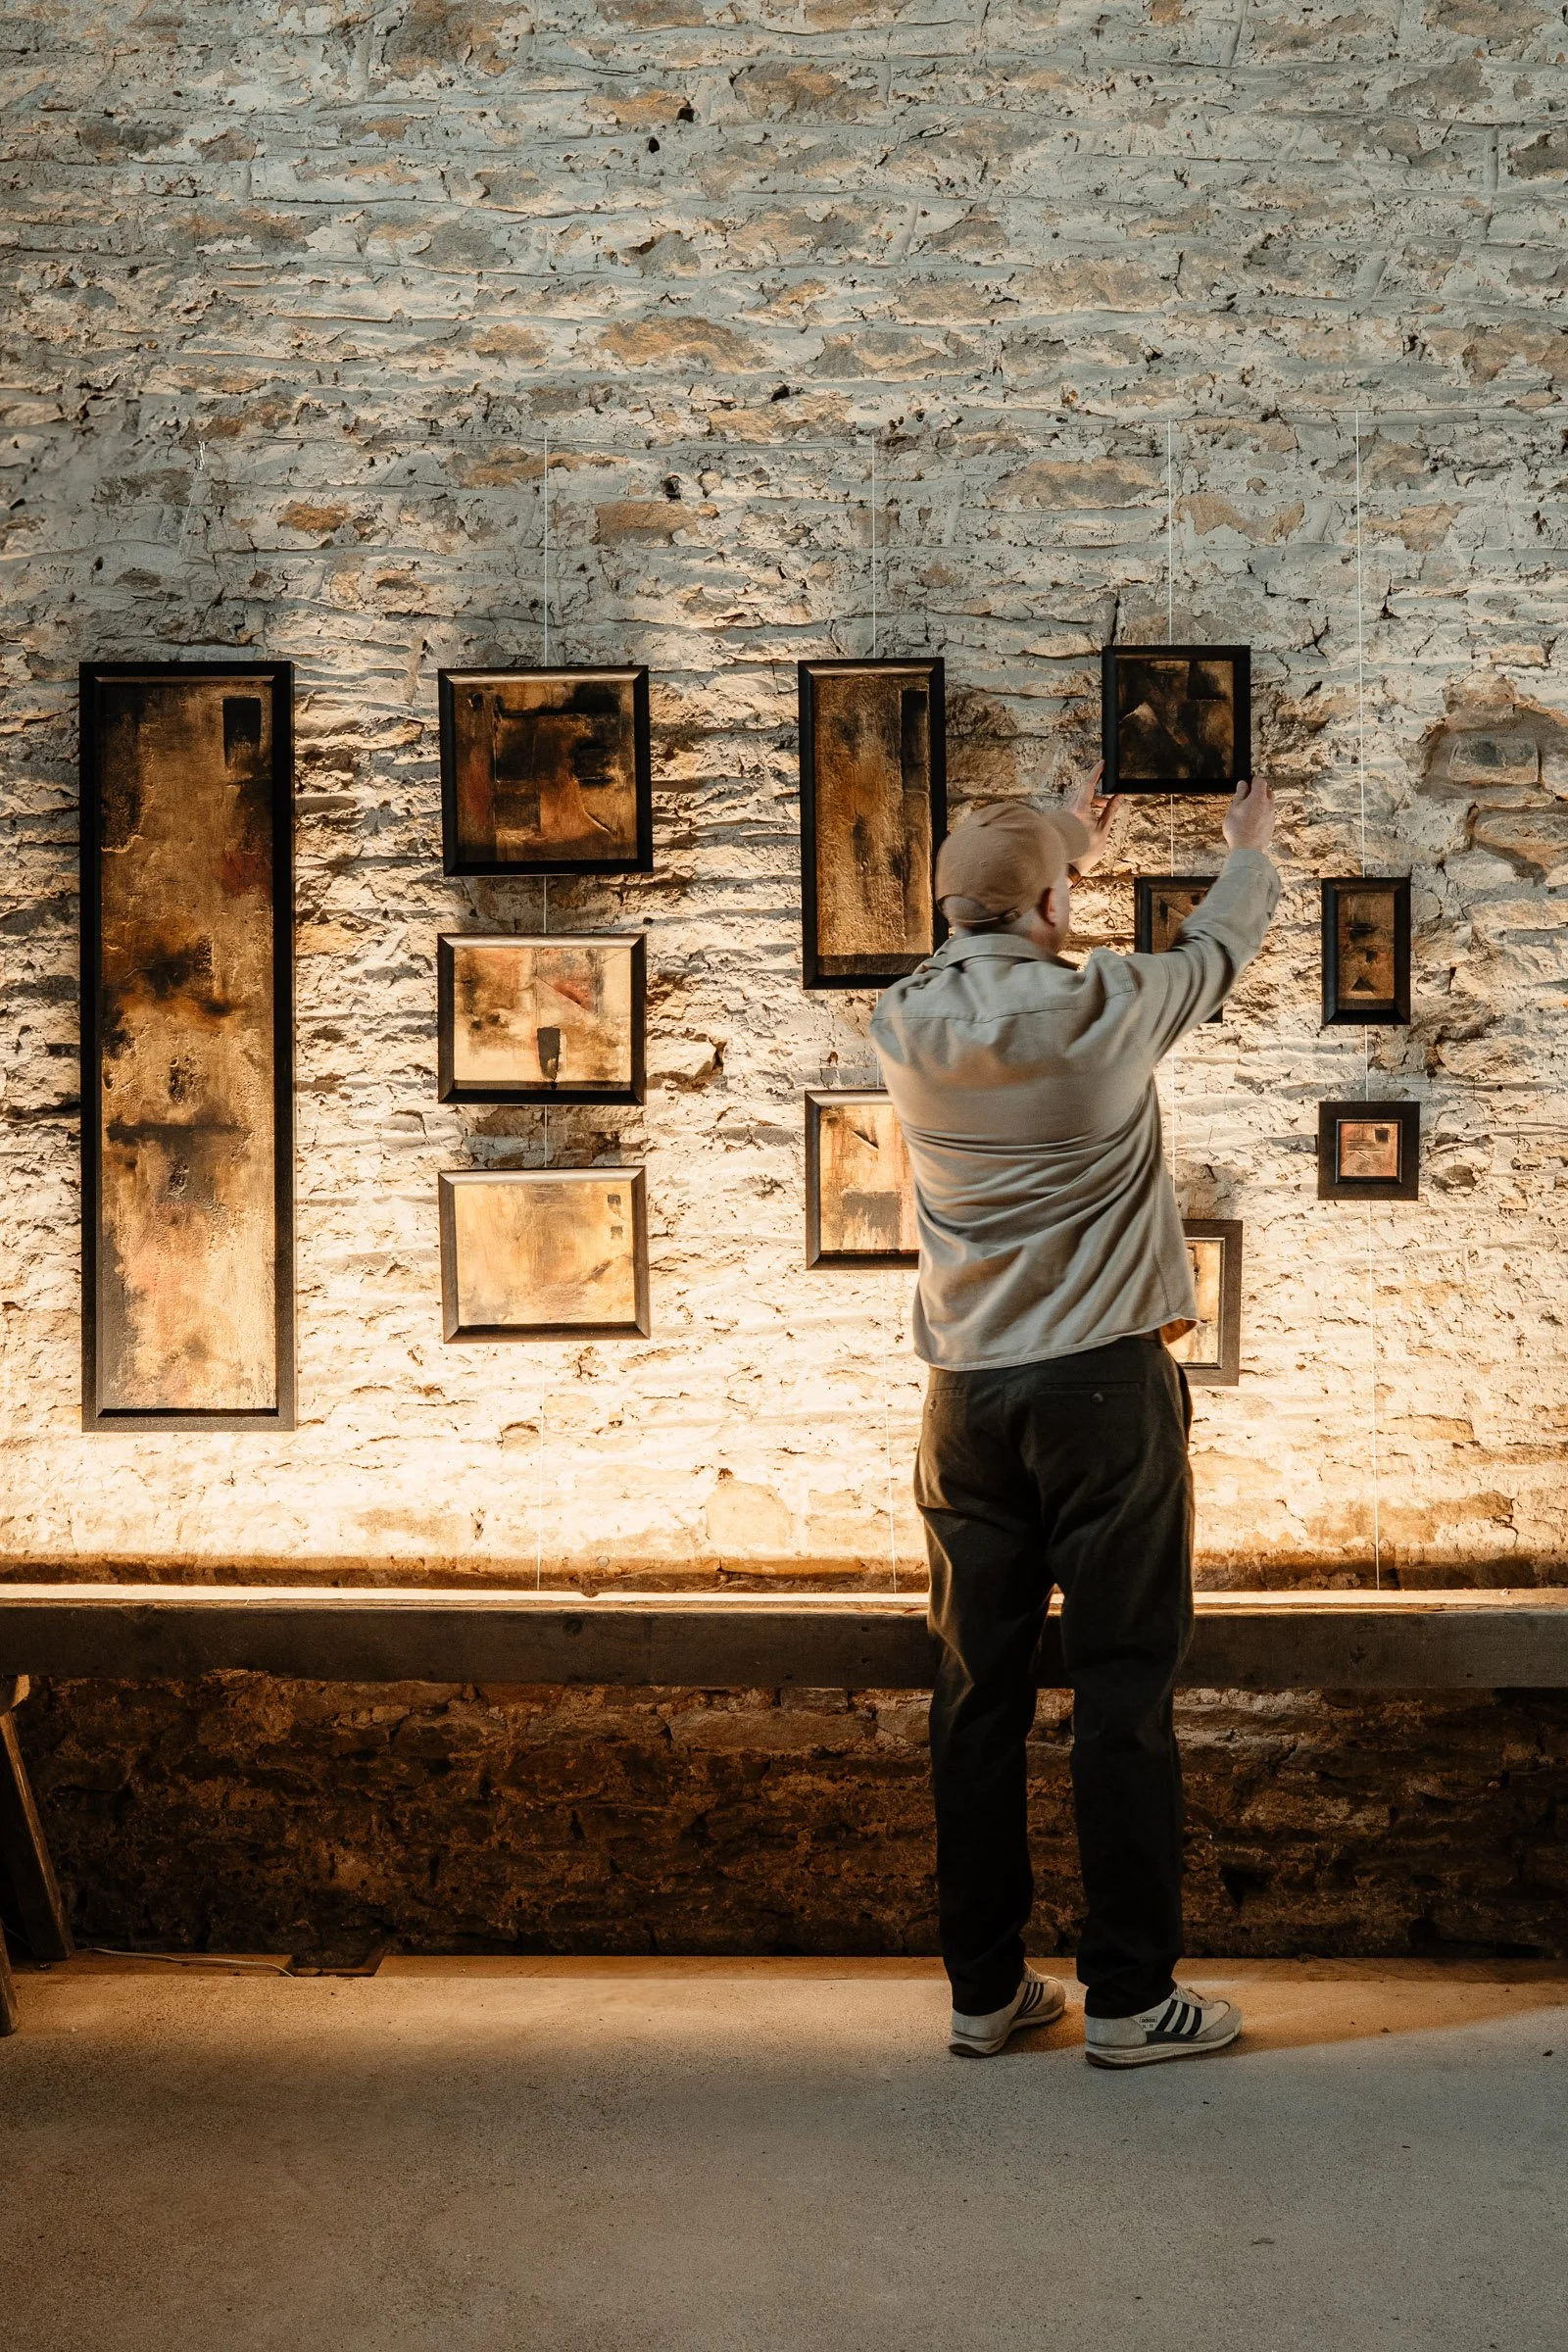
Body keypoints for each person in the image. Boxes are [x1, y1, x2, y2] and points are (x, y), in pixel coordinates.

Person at [870, 764, 1279, 2067]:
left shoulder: (903, 1019)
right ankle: (1128, 1999)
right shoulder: (1107, 1005)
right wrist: (1247, 843)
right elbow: (1219, 945)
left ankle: (985, 1993)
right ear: (1056, 908)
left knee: (975, 1694)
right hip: (1103, 1390)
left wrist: (1058, 853)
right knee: (1121, 1691)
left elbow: (990, 936)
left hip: (967, 1400)